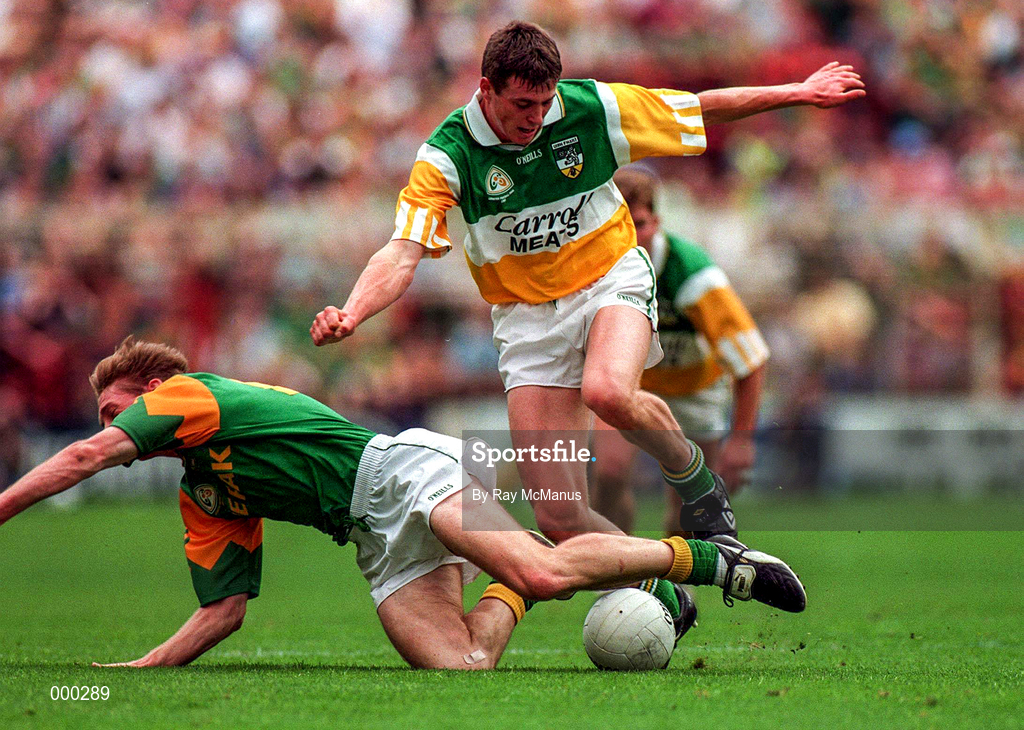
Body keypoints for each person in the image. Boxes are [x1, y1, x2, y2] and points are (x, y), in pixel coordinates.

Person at [309, 20, 864, 547]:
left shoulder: (589, 108)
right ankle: (665, 588)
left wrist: (797, 91)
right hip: (526, 320)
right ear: (486, 89)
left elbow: (696, 108)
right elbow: (403, 251)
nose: (536, 118)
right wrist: (353, 312)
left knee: (607, 391)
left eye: (545, 103)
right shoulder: (447, 158)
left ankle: (699, 485)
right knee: (558, 515)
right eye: (523, 104)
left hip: (610, 277)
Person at [0, 337, 805, 669]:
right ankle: (520, 582)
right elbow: (224, 612)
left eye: (114, 412)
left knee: (552, 569)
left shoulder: (186, 396)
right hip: (373, 537)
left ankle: (716, 563)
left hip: (407, 472)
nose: (109, 430)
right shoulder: (205, 490)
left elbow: (80, 456)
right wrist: (134, 672)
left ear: (148, 390)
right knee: (465, 665)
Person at [590, 167, 768, 535]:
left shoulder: (694, 276)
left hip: (695, 391)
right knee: (608, 473)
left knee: (688, 508)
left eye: (639, 224)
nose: (630, 237)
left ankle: (675, 588)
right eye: (617, 225)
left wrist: (741, 441)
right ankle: (622, 579)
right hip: (630, 385)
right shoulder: (592, 267)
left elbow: (751, 361)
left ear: (656, 221)